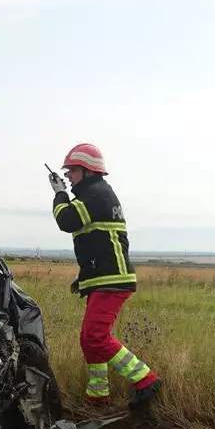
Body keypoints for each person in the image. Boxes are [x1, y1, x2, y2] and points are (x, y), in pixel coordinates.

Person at [49, 143, 162, 413]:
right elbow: (96, 242)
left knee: (96, 336)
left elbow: (66, 221)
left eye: (72, 171)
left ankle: (147, 380)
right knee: (90, 339)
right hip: (102, 278)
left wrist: (58, 194)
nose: (68, 176)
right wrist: (84, 276)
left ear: (87, 171)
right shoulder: (94, 195)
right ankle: (97, 397)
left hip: (112, 280)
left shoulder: (97, 194)